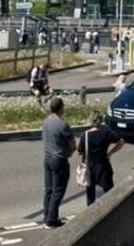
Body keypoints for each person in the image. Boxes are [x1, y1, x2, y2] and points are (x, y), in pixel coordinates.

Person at [77, 111, 125, 205]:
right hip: (103, 165)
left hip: (89, 168)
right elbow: (121, 142)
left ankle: (91, 213)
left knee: (90, 195)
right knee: (110, 191)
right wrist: (110, 152)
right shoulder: (106, 132)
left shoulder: (85, 135)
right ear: (100, 120)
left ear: (90, 121)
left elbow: (80, 152)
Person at [42, 98, 76, 228]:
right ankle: (52, 219)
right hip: (59, 160)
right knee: (58, 191)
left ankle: (46, 216)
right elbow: (72, 145)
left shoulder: (46, 122)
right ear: (61, 108)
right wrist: (70, 151)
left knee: (49, 189)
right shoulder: (63, 125)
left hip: (47, 158)